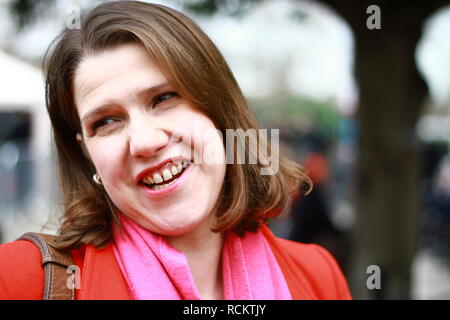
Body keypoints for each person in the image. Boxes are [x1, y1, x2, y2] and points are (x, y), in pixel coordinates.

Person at [0, 1, 351, 300]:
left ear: (220, 113)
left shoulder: (318, 276)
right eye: (106, 122)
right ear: (86, 152)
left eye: (164, 98)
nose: (145, 141)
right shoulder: (19, 279)